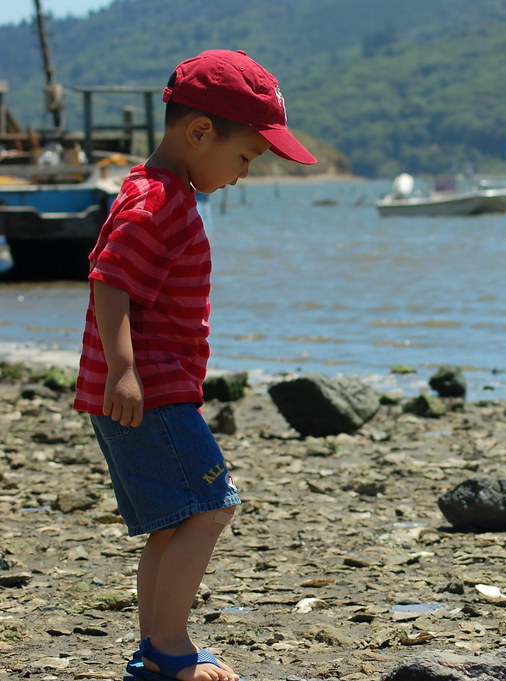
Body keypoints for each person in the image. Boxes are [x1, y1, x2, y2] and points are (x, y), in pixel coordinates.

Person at [73, 49, 316, 681]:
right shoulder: (159, 201)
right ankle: (171, 645)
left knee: (172, 521)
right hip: (148, 390)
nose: (240, 174)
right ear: (200, 132)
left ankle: (156, 648)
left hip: (145, 387)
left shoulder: (157, 192)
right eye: (244, 158)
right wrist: (125, 370)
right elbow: (110, 280)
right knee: (211, 508)